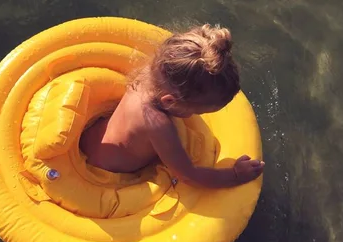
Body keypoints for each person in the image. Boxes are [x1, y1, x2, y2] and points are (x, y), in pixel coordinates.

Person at [79, 24, 265, 188]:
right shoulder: (158, 124)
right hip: (105, 173)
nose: (196, 115)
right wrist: (235, 175)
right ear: (169, 101)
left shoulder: (149, 76)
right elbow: (188, 175)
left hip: (91, 139)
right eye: (196, 111)